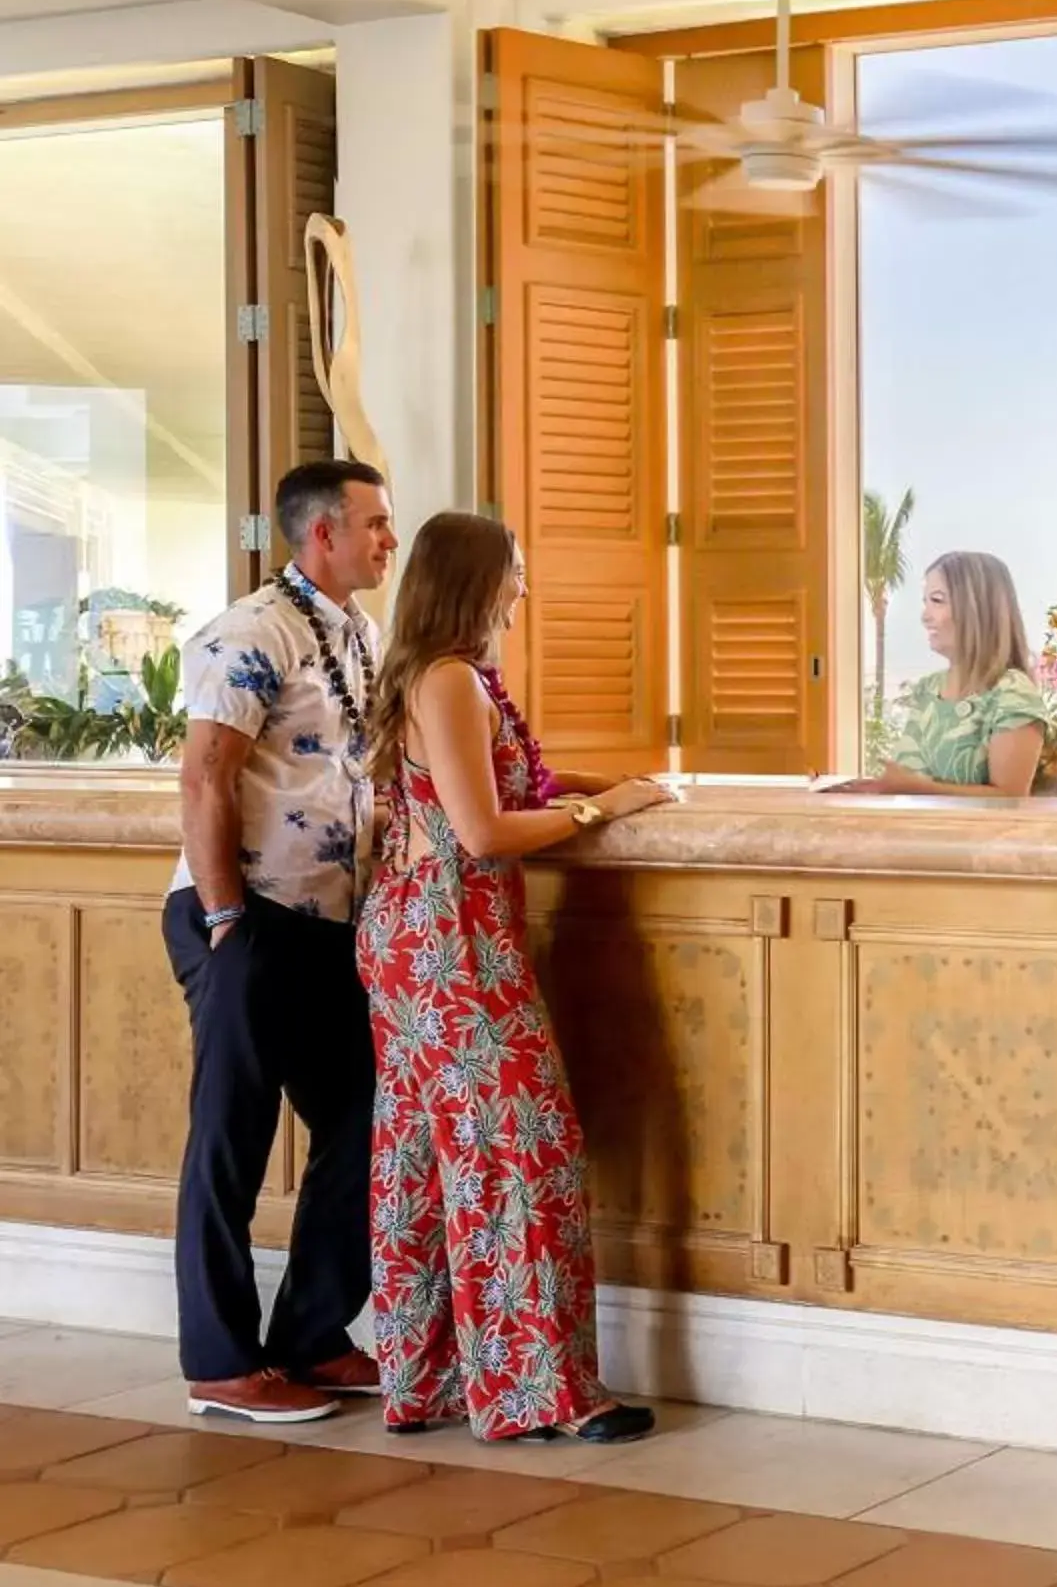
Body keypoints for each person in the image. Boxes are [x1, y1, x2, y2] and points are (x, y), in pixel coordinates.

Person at [355, 511, 675, 1442]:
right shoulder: (450, 680)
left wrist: (614, 784)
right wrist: (598, 812)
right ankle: (541, 1394)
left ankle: (430, 1381)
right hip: (454, 945)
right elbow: (484, 831)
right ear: (478, 582)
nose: (525, 589)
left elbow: (499, 785)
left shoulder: (429, 674)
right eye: (516, 572)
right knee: (524, 1152)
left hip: (415, 936)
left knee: (422, 1155)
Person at [164, 459, 398, 1424]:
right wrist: (225, 922)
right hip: (246, 919)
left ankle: (311, 1334)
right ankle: (221, 1361)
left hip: (327, 927)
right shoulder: (252, 631)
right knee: (233, 1137)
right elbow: (204, 779)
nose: (390, 539)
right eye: (376, 524)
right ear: (322, 537)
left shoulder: (358, 631)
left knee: (364, 1118)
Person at [828, 550, 1049, 796]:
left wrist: (916, 788)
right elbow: (909, 778)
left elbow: (1010, 798)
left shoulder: (1013, 693)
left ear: (976, 608)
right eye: (925, 602)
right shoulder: (926, 689)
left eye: (937, 601)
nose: (925, 617)